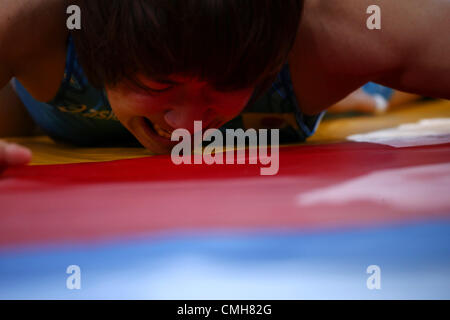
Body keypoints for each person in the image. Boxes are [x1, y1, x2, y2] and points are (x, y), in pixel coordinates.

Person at [1, 0, 449, 171]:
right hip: (33, 101)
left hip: (332, 70)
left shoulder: (336, 30)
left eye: (226, 83)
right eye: (159, 84)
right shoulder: (34, 19)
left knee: (374, 82)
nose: (189, 127)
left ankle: (367, 93)